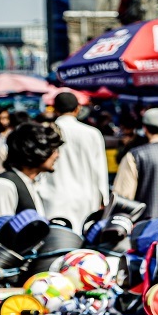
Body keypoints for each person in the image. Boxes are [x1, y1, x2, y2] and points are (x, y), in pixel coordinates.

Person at [38, 92, 110, 233]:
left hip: (53, 196)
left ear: (55, 109)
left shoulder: (46, 131)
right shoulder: (92, 133)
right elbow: (100, 169)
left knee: (57, 242)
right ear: (78, 108)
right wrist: (104, 199)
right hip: (86, 197)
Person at [0, 122, 63, 224]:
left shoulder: (28, 182)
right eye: (53, 150)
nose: (57, 155)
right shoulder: (3, 187)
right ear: (35, 151)